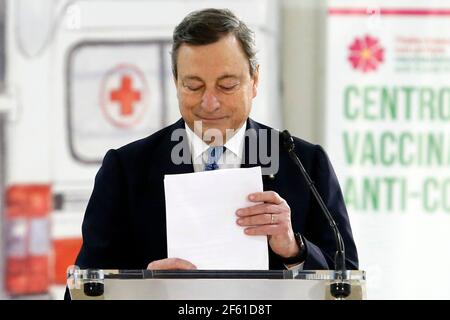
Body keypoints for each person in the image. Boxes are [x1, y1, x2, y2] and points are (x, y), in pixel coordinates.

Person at [73, 8, 358, 278]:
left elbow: (346, 283)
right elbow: (84, 289)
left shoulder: (305, 164)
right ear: (176, 82)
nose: (210, 103)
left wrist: (296, 251)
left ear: (254, 80)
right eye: (194, 86)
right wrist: (146, 286)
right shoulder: (126, 170)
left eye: (227, 85)